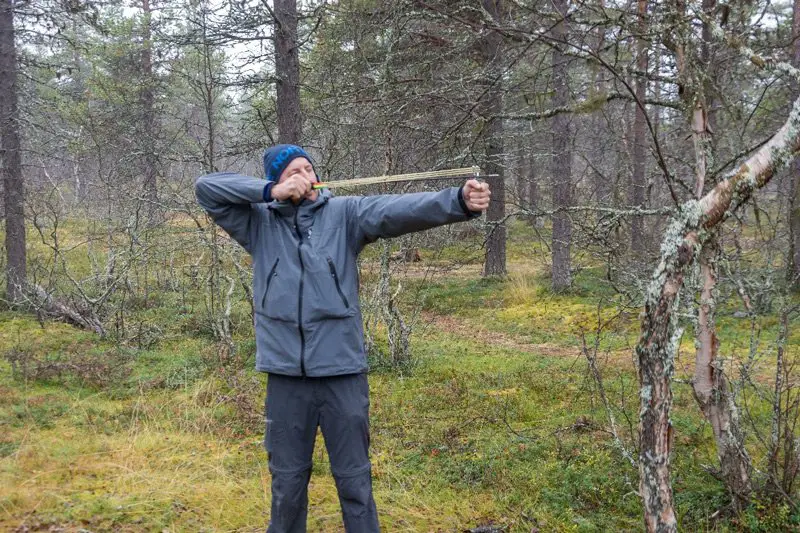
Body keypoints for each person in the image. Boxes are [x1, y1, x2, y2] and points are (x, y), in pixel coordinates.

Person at [195, 144, 491, 532]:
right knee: (287, 483)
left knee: (354, 482)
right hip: (285, 378)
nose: (305, 175)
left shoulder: (345, 214)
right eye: (293, 172)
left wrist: (459, 201)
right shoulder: (258, 225)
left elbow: (397, 210)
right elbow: (206, 187)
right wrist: (270, 194)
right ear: (278, 182)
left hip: (342, 374)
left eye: (308, 168)